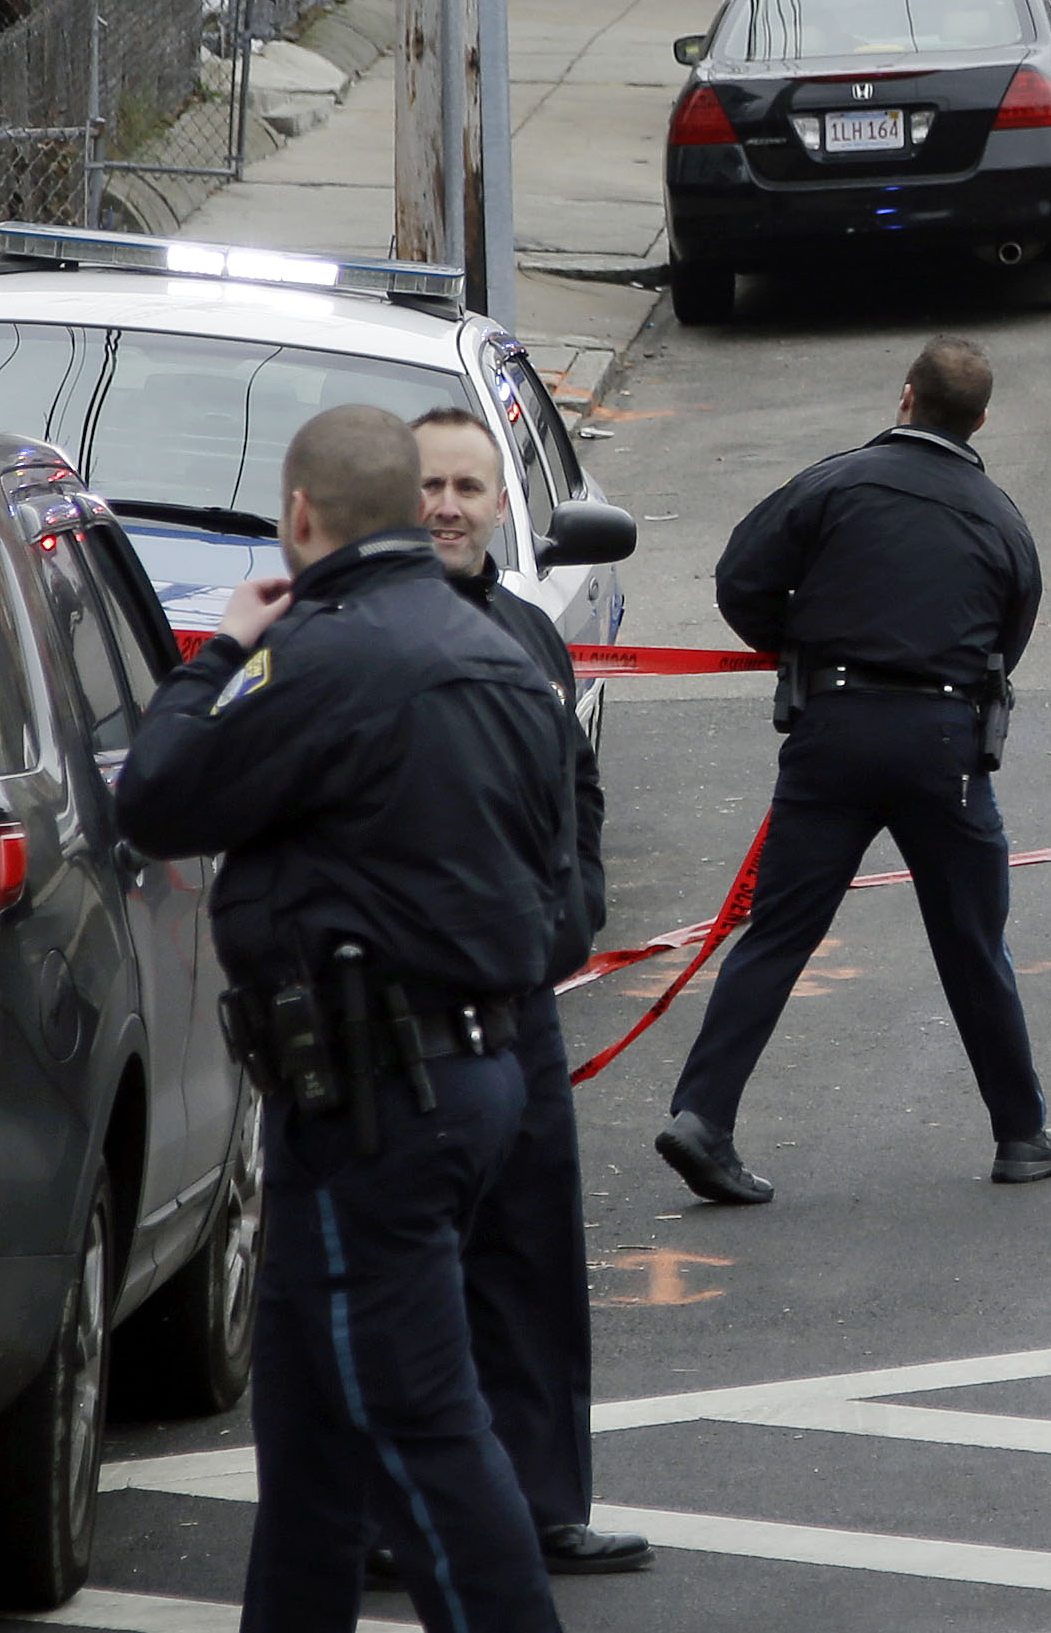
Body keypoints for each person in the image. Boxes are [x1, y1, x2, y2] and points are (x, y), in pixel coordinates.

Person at [115, 404, 578, 1633]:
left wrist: (217, 656)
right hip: (464, 1076)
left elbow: (156, 796)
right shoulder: (503, 657)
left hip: (379, 1102)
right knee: (311, 1433)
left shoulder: (321, 656)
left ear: (302, 517)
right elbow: (553, 888)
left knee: (419, 1427)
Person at [653, 336, 1051, 1208]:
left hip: (834, 730)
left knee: (779, 931)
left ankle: (703, 1116)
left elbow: (741, 575)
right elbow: (1011, 638)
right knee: (971, 940)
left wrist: (796, 647)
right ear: (981, 419)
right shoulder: (1000, 518)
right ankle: (1021, 1133)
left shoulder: (833, 483)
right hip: (942, 742)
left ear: (905, 396)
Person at [407, 404, 650, 1581]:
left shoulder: (528, 633)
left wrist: (578, 908)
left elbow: (578, 786)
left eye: (467, 485)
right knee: (410, 1277)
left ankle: (547, 1501)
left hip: (525, 1005)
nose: (448, 504)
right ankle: (387, 1522)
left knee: (535, 1255)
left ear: (501, 503)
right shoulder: (355, 633)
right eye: (428, 486)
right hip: (405, 1025)